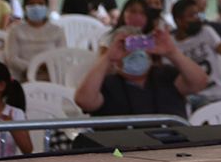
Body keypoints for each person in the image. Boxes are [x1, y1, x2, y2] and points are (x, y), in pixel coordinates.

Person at [73, 22, 208, 119]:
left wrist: (172, 52)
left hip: (173, 147)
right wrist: (108, 58)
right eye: (126, 48)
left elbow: (200, 82)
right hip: (123, 152)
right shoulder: (107, 84)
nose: (135, 52)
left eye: (140, 45)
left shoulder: (165, 74)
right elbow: (84, 101)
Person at [5, 0, 66, 80]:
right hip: (22, 77)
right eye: (31, 4)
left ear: (47, 7)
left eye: (40, 4)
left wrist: (48, 66)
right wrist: (34, 67)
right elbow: (12, 58)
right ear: (24, 8)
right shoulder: (15, 30)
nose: (36, 7)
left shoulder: (57, 30)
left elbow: (62, 56)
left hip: (51, 76)